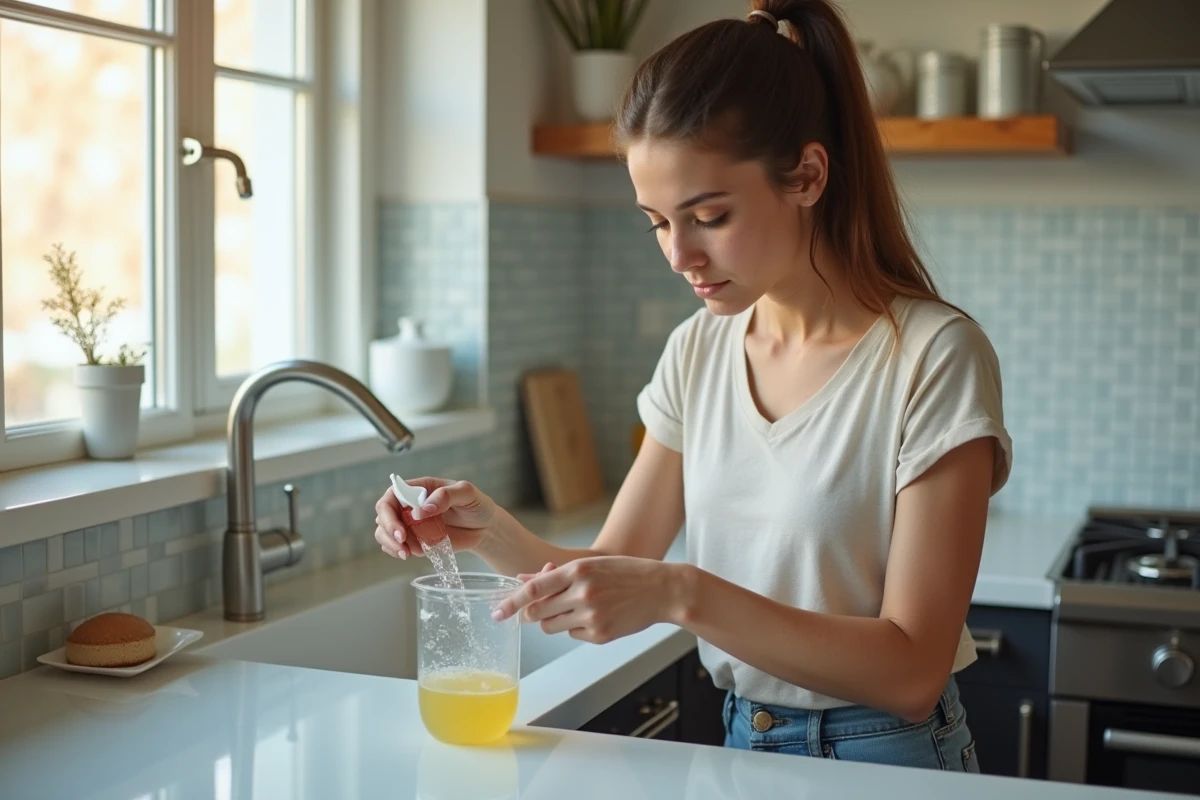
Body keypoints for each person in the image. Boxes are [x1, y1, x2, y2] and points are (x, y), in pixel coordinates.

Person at [374, 0, 1011, 773]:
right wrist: (486, 531)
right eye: (657, 222)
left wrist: (683, 593)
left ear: (808, 175)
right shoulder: (697, 352)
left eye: (707, 215)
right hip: (744, 746)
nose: (680, 255)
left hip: (893, 756)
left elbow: (911, 672)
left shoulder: (934, 357)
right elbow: (611, 571)